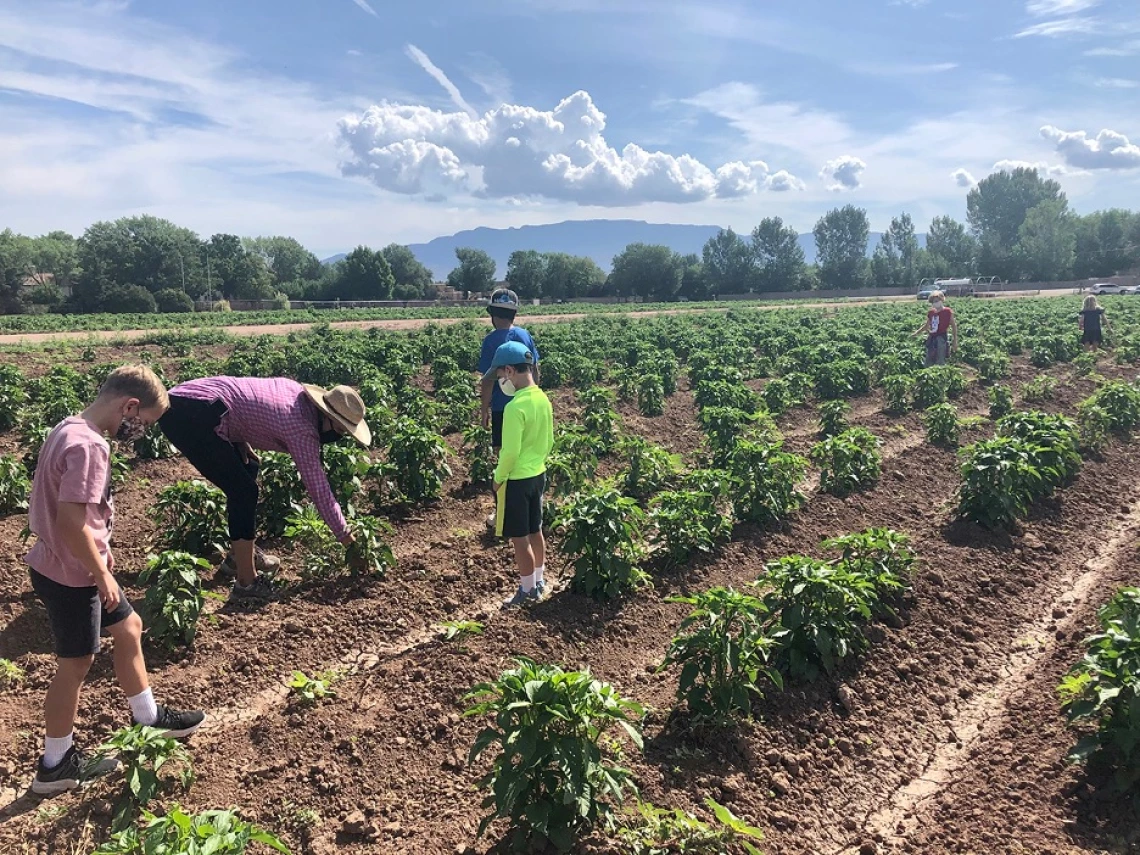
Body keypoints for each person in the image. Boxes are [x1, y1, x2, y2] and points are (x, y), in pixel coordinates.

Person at [25, 365, 205, 796]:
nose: (140, 431)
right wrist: (102, 573)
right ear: (129, 407)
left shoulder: (69, 427)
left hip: (69, 565)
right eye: (143, 422)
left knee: (129, 627)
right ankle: (55, 763)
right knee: (75, 665)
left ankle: (147, 717)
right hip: (74, 573)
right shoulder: (90, 447)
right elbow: (72, 521)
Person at [158, 377, 372, 604]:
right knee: (243, 491)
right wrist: (350, 543)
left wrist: (239, 439)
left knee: (248, 467)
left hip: (194, 400)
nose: (337, 437)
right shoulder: (301, 428)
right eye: (338, 429)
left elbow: (248, 402)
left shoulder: (295, 391)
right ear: (324, 415)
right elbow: (320, 491)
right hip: (192, 413)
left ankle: (238, 557)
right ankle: (246, 583)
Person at [490, 341, 554, 607]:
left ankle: (527, 590)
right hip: (538, 474)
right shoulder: (542, 398)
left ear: (510, 370)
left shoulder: (514, 408)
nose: (501, 381)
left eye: (501, 376)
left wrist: (498, 478)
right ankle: (539, 581)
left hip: (516, 479)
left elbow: (510, 452)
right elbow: (549, 440)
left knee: (519, 538)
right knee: (535, 530)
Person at [477, 288, 539, 527]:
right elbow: (535, 370)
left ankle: (502, 514)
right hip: (528, 406)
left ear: (492, 314)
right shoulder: (525, 336)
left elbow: (488, 379)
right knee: (527, 458)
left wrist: (484, 410)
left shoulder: (491, 341)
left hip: (504, 411)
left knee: (504, 460)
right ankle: (531, 509)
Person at [914, 290, 957, 367]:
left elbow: (953, 326)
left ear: (942, 300)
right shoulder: (931, 312)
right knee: (928, 360)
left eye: (937, 301)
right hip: (932, 338)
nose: (936, 303)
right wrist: (917, 333)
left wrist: (955, 341)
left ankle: (940, 376)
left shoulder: (947, 311)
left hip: (942, 338)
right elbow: (926, 325)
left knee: (940, 361)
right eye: (934, 302)